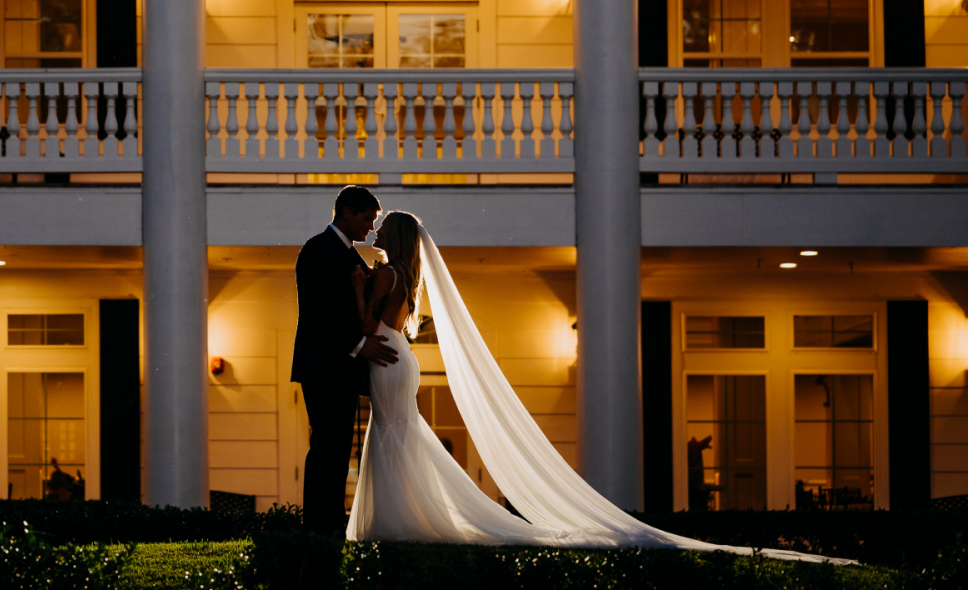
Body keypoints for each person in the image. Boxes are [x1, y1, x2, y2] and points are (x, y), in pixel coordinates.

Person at [342, 210, 846, 564]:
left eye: (385, 224)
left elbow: (368, 328)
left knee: (391, 433)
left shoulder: (384, 276)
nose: (378, 226)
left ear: (399, 237)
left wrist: (359, 291)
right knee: (398, 432)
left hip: (383, 357)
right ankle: (406, 515)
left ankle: (397, 520)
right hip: (401, 359)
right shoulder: (405, 277)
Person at [289, 184, 398, 538]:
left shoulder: (351, 255)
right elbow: (317, 311)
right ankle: (319, 524)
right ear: (347, 212)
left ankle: (330, 520)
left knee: (337, 447)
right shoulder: (317, 250)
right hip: (323, 366)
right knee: (326, 444)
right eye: (367, 219)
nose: (369, 227)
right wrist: (358, 345)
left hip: (342, 369)